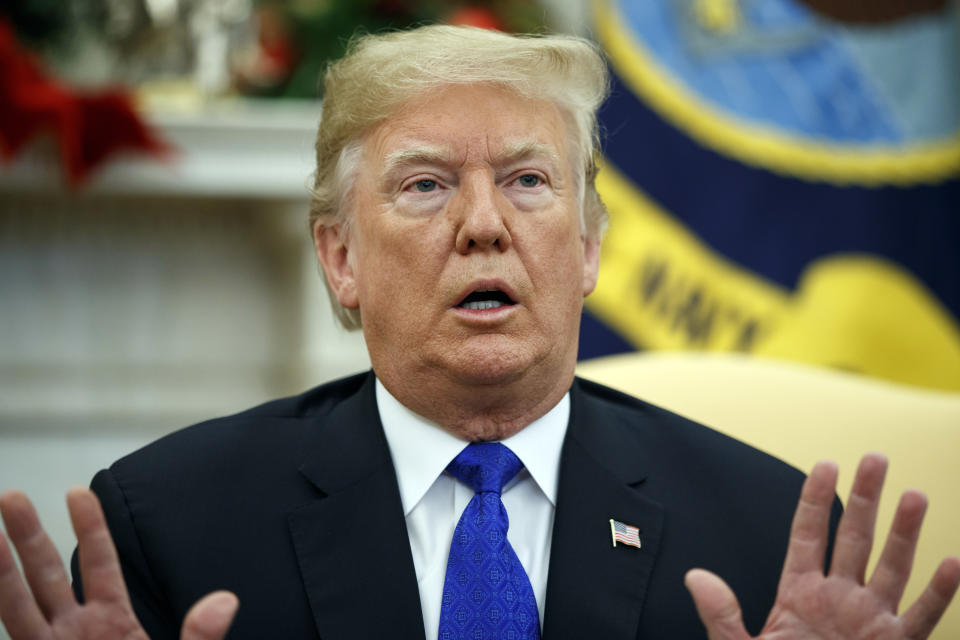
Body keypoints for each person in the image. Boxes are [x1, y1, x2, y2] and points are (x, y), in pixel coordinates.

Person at [1, 25, 958, 640]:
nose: (484, 223)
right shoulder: (167, 530)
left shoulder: (771, 541)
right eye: (424, 185)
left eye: (529, 180)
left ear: (587, 249)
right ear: (340, 259)